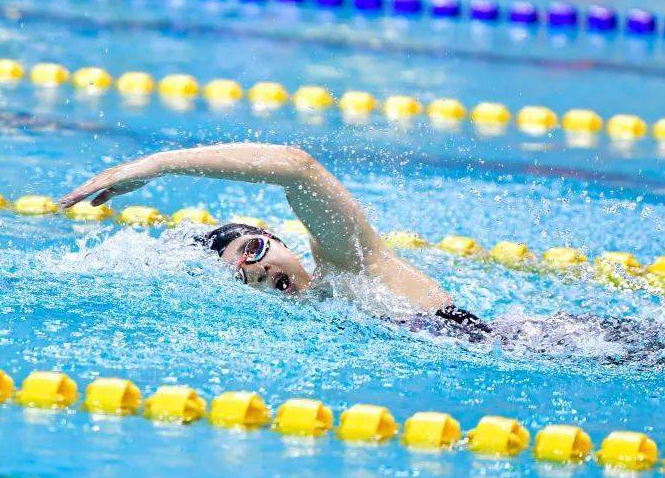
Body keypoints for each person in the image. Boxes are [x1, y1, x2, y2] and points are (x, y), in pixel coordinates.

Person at [59, 142, 489, 338]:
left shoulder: (349, 265)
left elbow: (298, 168)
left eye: (253, 249)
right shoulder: (318, 323)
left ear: (277, 240)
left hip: (529, 344)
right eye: (242, 274)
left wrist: (159, 164)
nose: (257, 268)